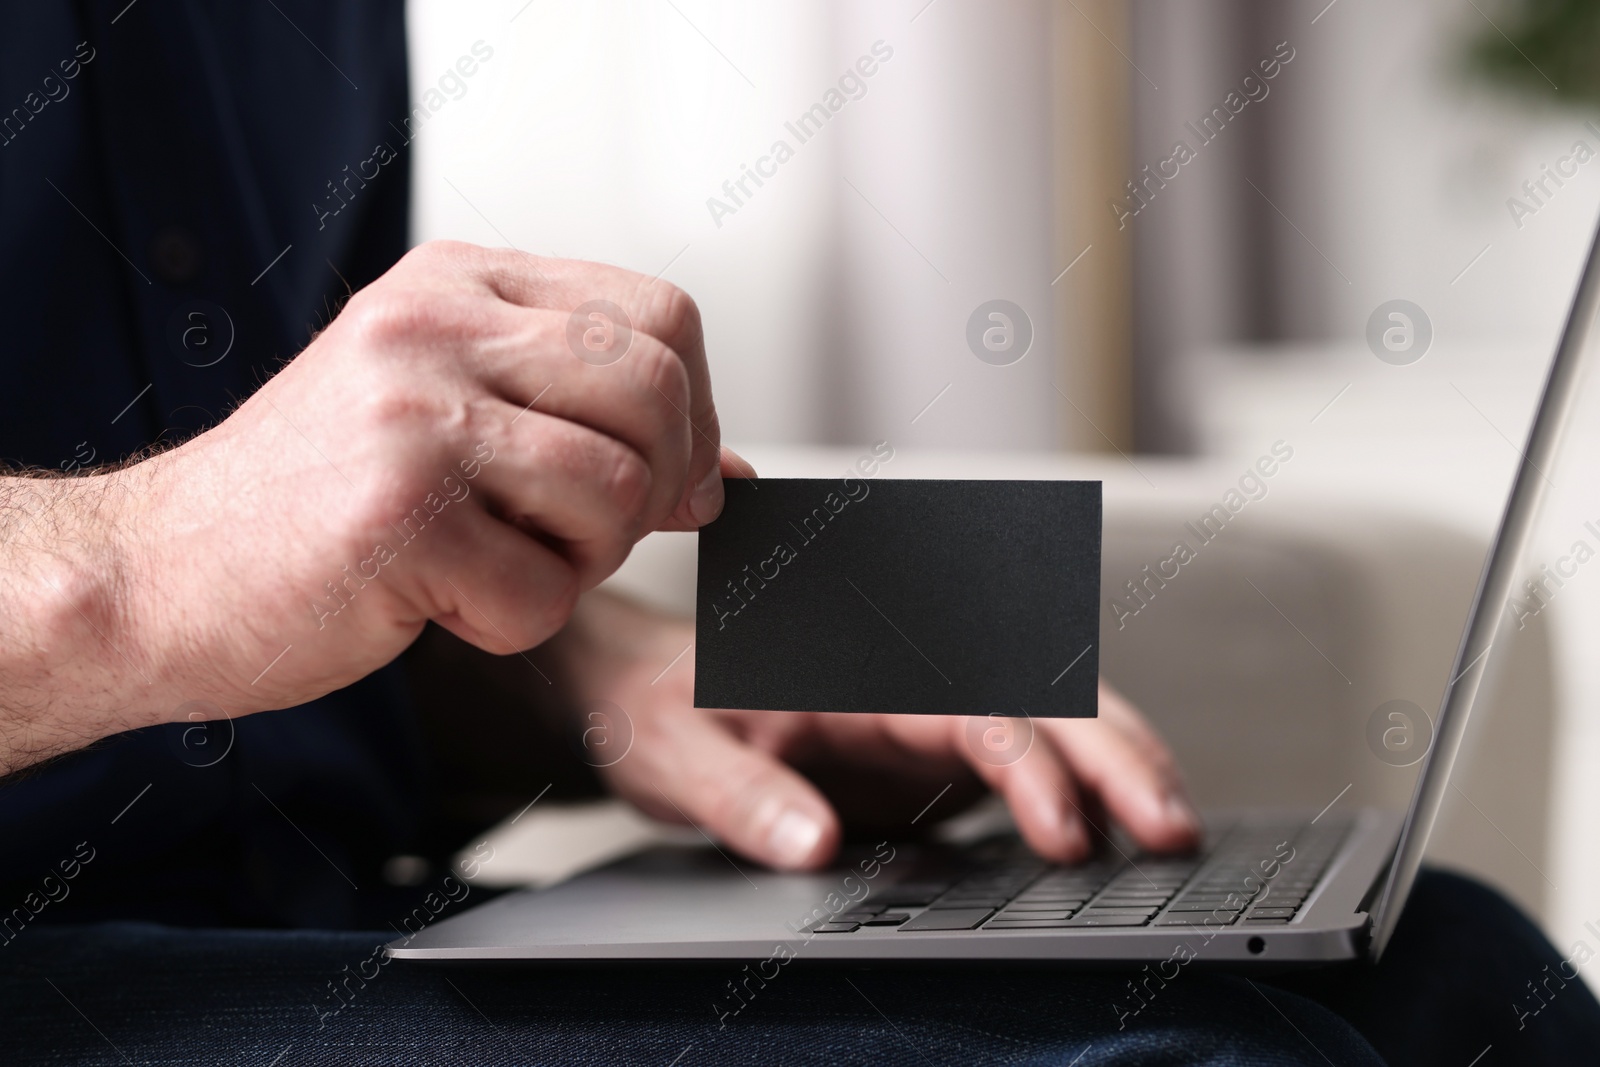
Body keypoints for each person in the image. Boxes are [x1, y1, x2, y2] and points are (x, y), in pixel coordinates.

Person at [1, 3, 1596, 1064]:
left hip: (326, 906)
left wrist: (622, 679)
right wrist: (127, 577)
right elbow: (193, 567)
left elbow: (295, 597)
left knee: (1453, 972)